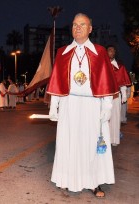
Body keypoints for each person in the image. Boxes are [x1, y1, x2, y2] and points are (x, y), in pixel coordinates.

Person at [46, 13, 118, 198]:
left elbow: (106, 82)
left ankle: (93, 182)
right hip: (69, 103)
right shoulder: (62, 52)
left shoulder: (100, 52)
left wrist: (107, 106)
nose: (78, 28)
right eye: (75, 24)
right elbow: (57, 81)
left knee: (90, 143)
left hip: (92, 104)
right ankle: (69, 179)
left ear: (90, 29)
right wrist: (54, 106)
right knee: (69, 142)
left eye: (82, 24)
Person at [107, 45, 132, 145]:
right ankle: (104, 139)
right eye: (109, 50)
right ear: (106, 52)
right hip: (104, 96)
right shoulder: (102, 66)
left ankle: (114, 139)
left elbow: (122, 81)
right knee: (105, 118)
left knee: (115, 117)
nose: (111, 52)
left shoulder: (119, 66)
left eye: (113, 51)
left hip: (116, 95)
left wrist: (124, 95)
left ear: (115, 53)